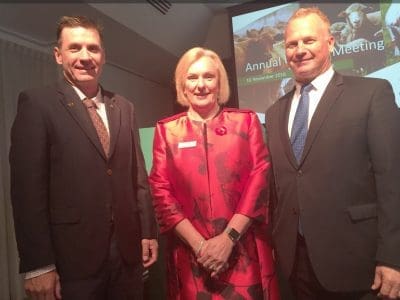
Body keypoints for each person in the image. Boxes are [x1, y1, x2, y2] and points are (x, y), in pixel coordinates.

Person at [9, 15, 158, 300]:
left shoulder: (124, 107)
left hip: (127, 256)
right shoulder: (37, 103)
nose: (85, 56)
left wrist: (147, 232)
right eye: (75, 48)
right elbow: (28, 191)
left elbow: (137, 177)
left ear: (104, 56)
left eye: (93, 48)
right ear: (58, 54)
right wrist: (38, 265)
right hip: (71, 262)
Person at [265, 7, 400, 300]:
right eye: (292, 44)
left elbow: (392, 181)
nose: (300, 50)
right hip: (295, 264)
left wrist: (393, 257)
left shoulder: (372, 93)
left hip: (358, 263)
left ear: (331, 43)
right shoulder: (275, 112)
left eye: (309, 41)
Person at [149, 47, 280, 299]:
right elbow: (160, 191)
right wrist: (201, 247)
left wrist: (227, 239)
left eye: (208, 77)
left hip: (244, 252)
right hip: (191, 258)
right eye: (192, 77)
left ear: (219, 82)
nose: (200, 85)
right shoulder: (167, 131)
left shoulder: (246, 122)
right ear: (182, 85)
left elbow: (259, 180)